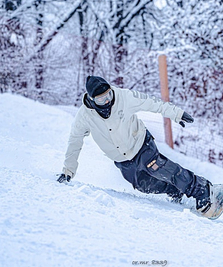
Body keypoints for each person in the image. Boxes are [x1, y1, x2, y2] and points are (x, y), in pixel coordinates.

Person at [57, 75, 214, 217]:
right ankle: (175, 191)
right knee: (144, 185)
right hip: (121, 158)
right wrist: (68, 170)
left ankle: (201, 189)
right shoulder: (84, 116)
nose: (106, 101)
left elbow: (152, 103)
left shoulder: (124, 97)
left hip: (140, 142)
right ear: (91, 100)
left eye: (108, 95)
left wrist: (176, 113)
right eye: (100, 99)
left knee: (156, 166)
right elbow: (74, 142)